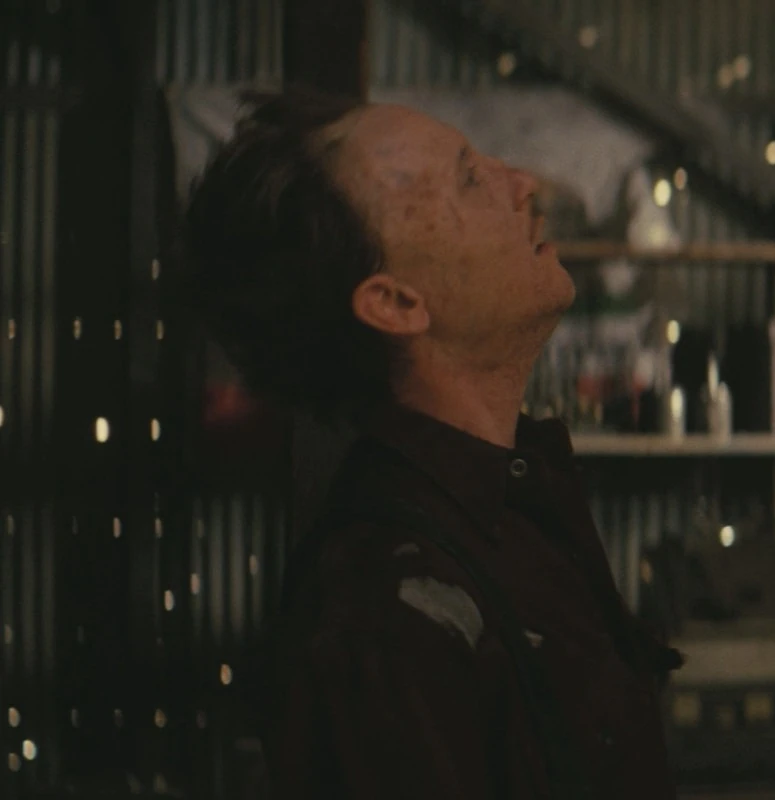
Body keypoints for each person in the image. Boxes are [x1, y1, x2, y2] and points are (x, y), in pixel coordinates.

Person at [182, 87, 679, 798]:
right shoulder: (386, 620)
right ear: (395, 303)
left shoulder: (513, 510)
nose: (523, 183)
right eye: (470, 179)